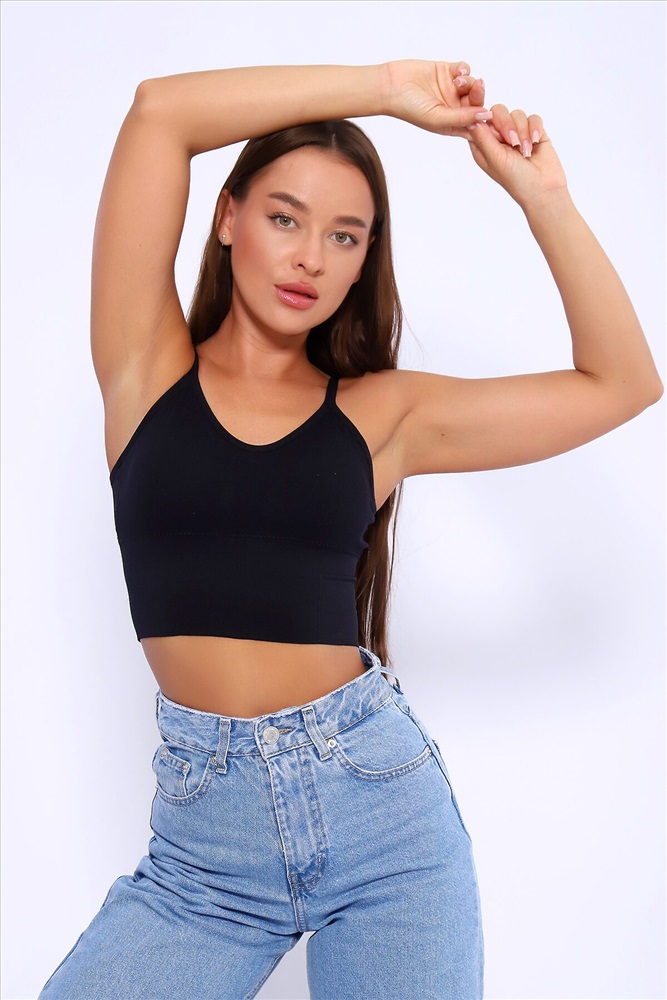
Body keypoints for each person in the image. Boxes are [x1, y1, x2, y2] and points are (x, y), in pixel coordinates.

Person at [38, 60, 662, 1000]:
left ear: (364, 260)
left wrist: (541, 197)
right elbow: (159, 112)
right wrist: (388, 92)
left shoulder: (382, 416)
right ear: (227, 217)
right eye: (284, 218)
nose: (309, 259)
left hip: (384, 829)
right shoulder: (144, 370)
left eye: (344, 236)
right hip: (204, 859)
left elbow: (621, 383)